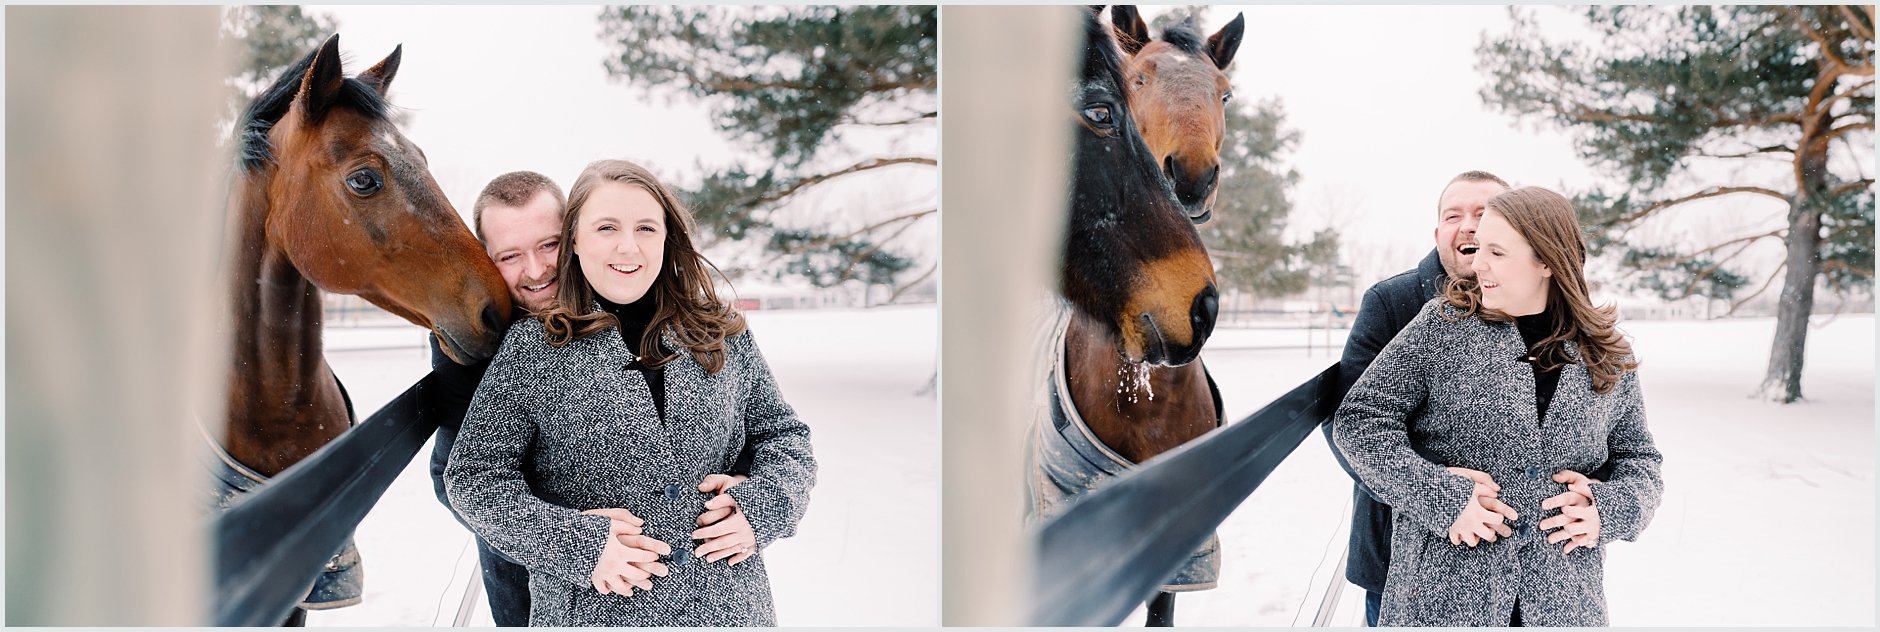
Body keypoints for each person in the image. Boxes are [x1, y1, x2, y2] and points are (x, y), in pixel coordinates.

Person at [444, 159, 816, 626]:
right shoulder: (530, 349)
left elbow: (784, 436)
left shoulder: (718, 331)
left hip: (734, 611)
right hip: (592, 613)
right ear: (576, 241)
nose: (628, 245)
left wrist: (767, 503)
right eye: (606, 227)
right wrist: (575, 542)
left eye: (645, 226)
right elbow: (473, 478)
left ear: (667, 236)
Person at [1332, 186, 1663, 626]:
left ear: (1546, 261)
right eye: (1480, 248)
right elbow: (1360, 423)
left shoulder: (1605, 352)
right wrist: (1439, 496)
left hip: (1566, 605)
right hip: (1440, 600)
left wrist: (1610, 509)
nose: (1478, 263)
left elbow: (1640, 460)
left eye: (1497, 252)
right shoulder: (1440, 326)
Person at [1321, 170, 1509, 626]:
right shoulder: (1392, 302)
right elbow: (1348, 421)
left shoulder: (1542, 307)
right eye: (1454, 216)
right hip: (1400, 556)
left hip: (1514, 567)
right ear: (1438, 232)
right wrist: (1436, 491)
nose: (1468, 226)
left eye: (1483, 215)